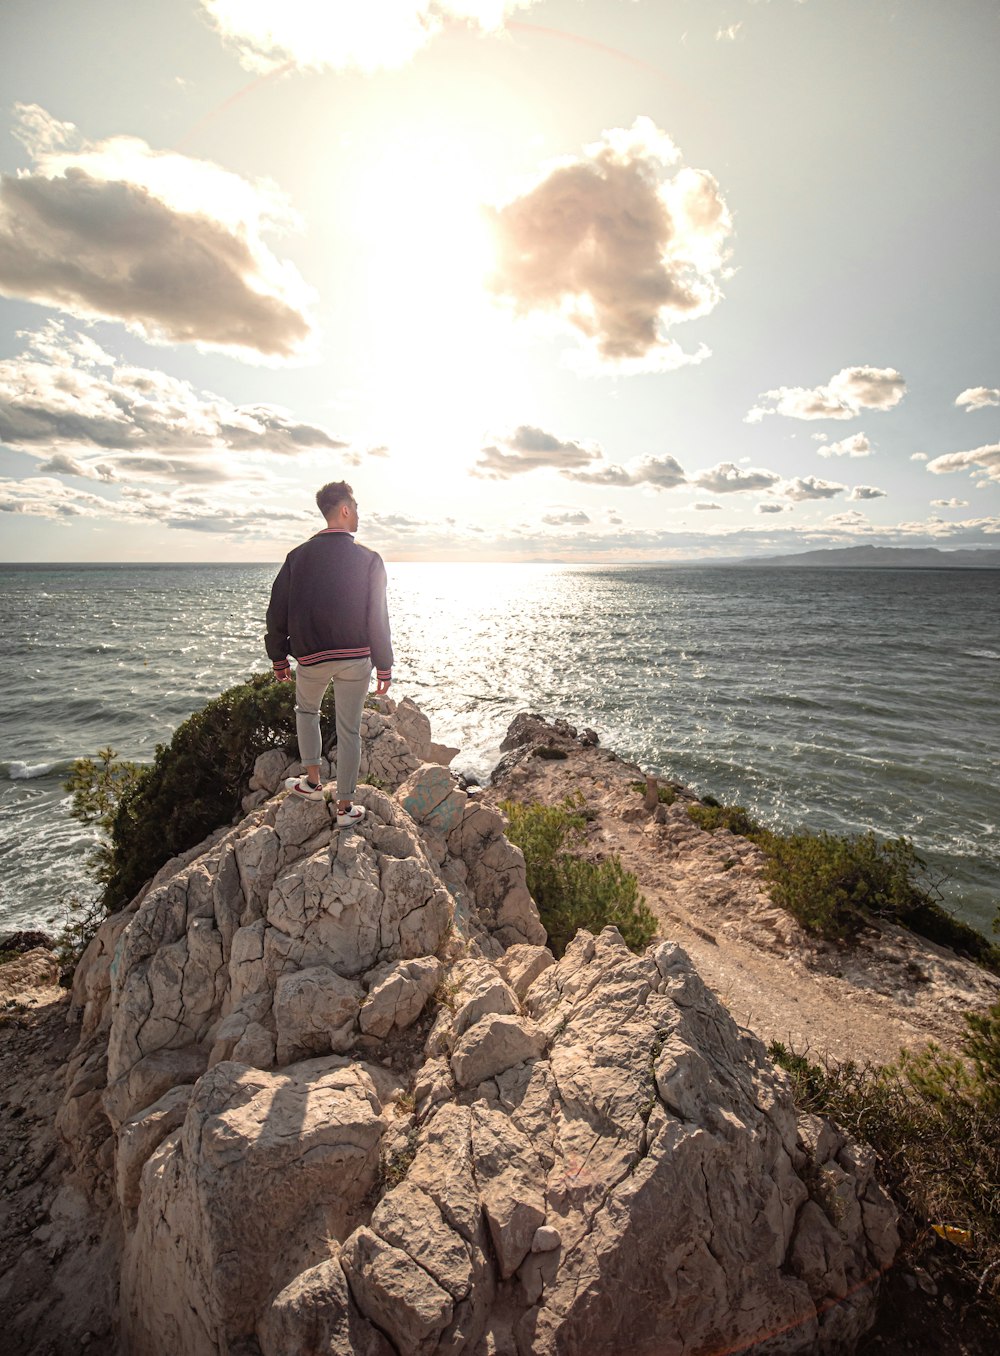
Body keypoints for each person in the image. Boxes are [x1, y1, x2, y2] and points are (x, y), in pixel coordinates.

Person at [265, 481, 392, 827]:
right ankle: (345, 808)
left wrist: (278, 657)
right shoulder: (369, 559)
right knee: (348, 729)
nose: (359, 515)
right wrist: (384, 665)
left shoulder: (297, 557)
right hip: (356, 659)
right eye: (356, 507)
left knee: (306, 711)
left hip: (311, 659)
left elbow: (276, 609)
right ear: (345, 509)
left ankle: (311, 782)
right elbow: (377, 615)